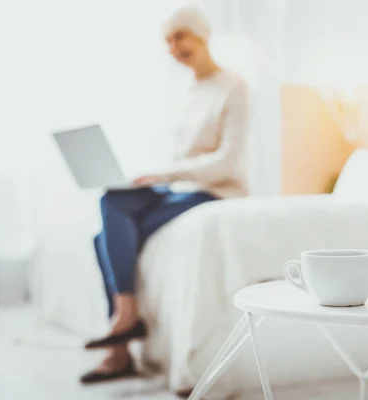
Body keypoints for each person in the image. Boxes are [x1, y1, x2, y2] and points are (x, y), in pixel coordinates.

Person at [80, 6, 249, 384]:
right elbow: (178, 156)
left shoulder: (233, 86)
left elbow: (228, 162)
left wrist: (167, 173)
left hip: (217, 191)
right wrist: (150, 178)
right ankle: (125, 324)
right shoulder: (184, 90)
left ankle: (120, 338)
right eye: (168, 41)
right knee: (111, 203)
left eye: (180, 36)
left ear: (202, 36)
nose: (173, 47)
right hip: (179, 188)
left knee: (107, 236)